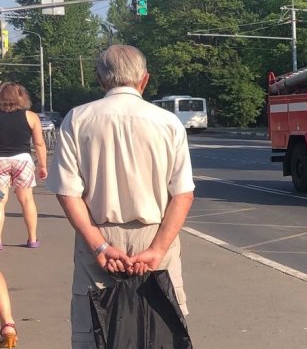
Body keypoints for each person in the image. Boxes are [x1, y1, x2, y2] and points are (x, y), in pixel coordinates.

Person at [46, 45, 195, 348]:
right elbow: (182, 195)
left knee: (96, 330)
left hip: (98, 235)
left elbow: (67, 192)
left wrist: (99, 245)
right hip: (156, 237)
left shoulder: (77, 120)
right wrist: (156, 250)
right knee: (162, 329)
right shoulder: (168, 123)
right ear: (144, 80)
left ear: (101, 80)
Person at [0, 82, 47, 249]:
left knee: (0, 202)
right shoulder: (31, 116)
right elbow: (39, 144)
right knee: (27, 200)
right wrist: (43, 166)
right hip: (23, 161)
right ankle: (32, 239)